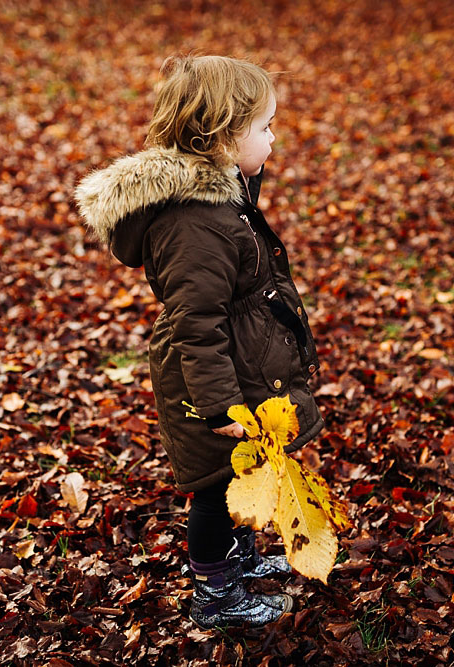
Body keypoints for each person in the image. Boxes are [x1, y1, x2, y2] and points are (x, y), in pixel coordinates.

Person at [75, 55, 323, 628]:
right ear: (221, 138)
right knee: (217, 485)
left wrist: (246, 167)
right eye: (264, 128)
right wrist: (218, 405)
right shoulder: (196, 223)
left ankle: (238, 558)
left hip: (241, 357)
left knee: (247, 469)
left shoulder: (217, 196)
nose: (274, 137)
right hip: (211, 374)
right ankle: (216, 595)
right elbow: (196, 322)